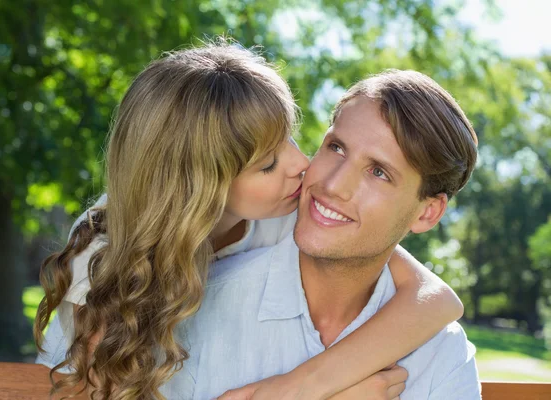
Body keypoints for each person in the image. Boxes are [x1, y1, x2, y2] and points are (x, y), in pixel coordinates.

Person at [34, 42, 464, 400]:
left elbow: (437, 300)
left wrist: (298, 387)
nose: (303, 165)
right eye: (267, 164)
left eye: (291, 138)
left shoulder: (287, 215)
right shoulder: (105, 249)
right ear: (203, 188)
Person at [160, 70, 481, 400]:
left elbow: (435, 297)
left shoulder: (443, 355)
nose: (332, 185)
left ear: (427, 212)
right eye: (337, 148)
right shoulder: (192, 313)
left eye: (379, 172)